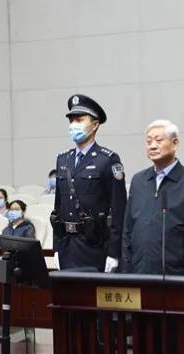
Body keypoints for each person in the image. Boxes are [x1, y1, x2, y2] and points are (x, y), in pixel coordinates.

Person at [50, 94, 127, 272]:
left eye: (79, 120)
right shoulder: (63, 159)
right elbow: (58, 208)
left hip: (95, 246)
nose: (73, 125)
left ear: (95, 125)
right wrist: (57, 248)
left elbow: (119, 211)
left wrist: (114, 253)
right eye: (71, 120)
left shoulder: (107, 159)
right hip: (67, 246)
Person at [122, 119, 184, 275]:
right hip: (138, 271)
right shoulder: (138, 181)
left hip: (174, 275)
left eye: (158, 140)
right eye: (148, 141)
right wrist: (126, 270)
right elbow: (128, 230)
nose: (152, 146)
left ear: (174, 143)